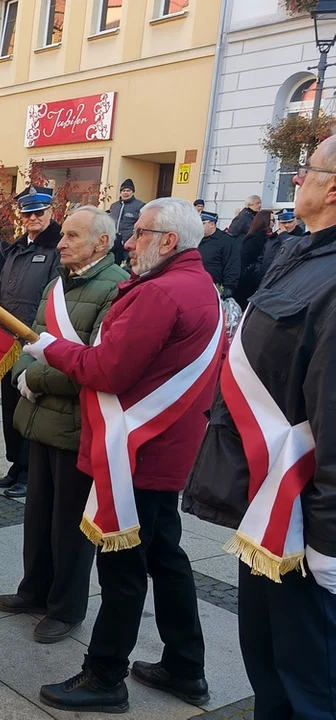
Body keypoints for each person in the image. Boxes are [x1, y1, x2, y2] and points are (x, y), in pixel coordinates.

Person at [24, 198, 221, 713]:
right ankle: (185, 666)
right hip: (163, 450)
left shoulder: (160, 293)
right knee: (166, 558)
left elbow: (108, 370)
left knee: (122, 566)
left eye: (139, 234)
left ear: (169, 241)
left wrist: (52, 350)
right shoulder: (197, 284)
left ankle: (104, 676)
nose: (129, 243)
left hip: (136, 453)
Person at [182, 136, 336, 720]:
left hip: (305, 519)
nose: (295, 181)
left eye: (306, 172)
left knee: (311, 685)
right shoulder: (302, 253)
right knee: (267, 666)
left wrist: (329, 542)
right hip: (266, 501)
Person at [0, 206, 128, 643]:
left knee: (69, 525)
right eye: (64, 234)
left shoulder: (117, 290)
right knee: (37, 516)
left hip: (77, 426)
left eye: (73, 235)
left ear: (101, 244)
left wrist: (34, 378)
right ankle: (34, 589)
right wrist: (20, 372)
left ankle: (66, 607)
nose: (62, 242)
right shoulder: (56, 285)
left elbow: (97, 363)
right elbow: (32, 342)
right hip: (39, 421)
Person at [0, 186, 62, 496]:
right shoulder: (17, 249)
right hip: (8, 341)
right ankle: (15, 465)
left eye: (39, 212)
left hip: (35, 341)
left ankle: (30, 471)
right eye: (27, 213)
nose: (33, 218)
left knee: (29, 405)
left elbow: (55, 297)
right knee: (10, 408)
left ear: (51, 213)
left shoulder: (57, 247)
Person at [236, 209, 274, 308]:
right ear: (265, 221)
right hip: (250, 279)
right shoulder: (255, 237)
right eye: (272, 220)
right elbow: (245, 258)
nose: (274, 223)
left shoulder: (270, 237)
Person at [198, 210, 240, 299]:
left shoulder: (226, 241)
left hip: (214, 287)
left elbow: (232, 265)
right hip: (196, 284)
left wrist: (229, 286)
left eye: (203, 223)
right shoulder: (197, 239)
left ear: (212, 224)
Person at [108, 178, 145, 265]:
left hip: (128, 244)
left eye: (128, 190)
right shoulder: (114, 206)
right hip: (113, 243)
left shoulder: (140, 206)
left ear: (132, 192)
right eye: (123, 190)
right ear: (120, 192)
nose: (125, 193)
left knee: (125, 266)